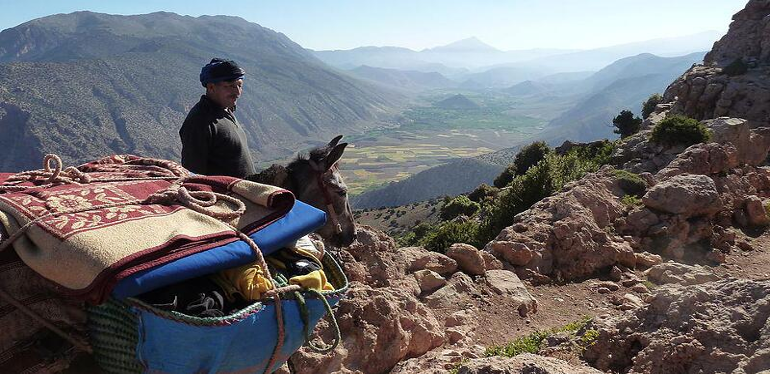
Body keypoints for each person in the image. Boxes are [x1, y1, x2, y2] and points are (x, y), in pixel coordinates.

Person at [179, 58, 256, 177]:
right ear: (211, 87)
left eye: (239, 85)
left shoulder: (225, 110)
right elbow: (193, 175)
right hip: (225, 195)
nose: (237, 92)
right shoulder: (200, 121)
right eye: (230, 86)